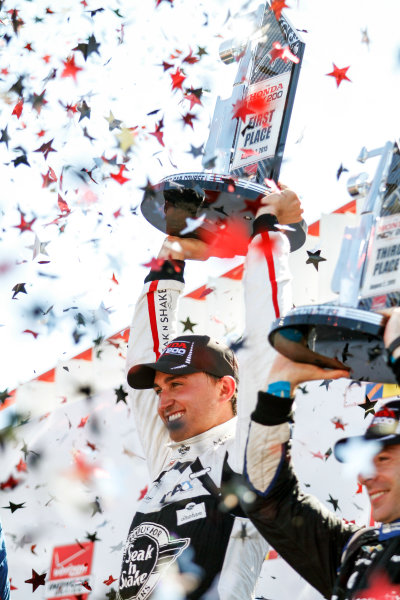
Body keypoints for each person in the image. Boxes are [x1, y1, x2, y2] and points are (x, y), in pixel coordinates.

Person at [117, 186, 303, 599]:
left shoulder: (245, 457)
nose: (163, 400)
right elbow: (146, 347)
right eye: (161, 387)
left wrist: (268, 230)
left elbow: (266, 338)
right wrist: (172, 258)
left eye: (178, 384)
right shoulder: (170, 457)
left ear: (227, 388)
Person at [242, 307, 400, 600]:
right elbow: (268, 499)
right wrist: (279, 386)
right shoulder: (357, 553)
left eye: (384, 458)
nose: (366, 475)